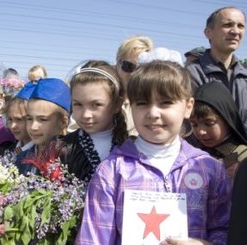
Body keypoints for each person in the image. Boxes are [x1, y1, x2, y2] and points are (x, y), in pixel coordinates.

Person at [76, 60, 231, 245]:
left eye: (165, 103)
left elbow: (225, 228)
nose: (153, 113)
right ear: (130, 106)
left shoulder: (209, 169)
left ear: (188, 107)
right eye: (142, 103)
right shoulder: (112, 171)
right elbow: (92, 239)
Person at [57, 60, 127, 182]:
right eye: (78, 104)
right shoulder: (61, 149)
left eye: (96, 105)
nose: (86, 115)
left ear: (117, 105)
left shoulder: (133, 148)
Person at [186, 7, 247, 130]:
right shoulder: (191, 74)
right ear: (208, 32)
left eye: (240, 26)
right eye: (227, 24)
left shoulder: (244, 75)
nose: (235, 31)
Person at [190, 82, 247, 184]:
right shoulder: (191, 156)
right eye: (194, 125)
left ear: (227, 120)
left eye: (209, 124)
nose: (201, 131)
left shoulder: (243, 159)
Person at [15, 78, 70, 175]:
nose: (33, 127)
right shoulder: (21, 158)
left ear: (63, 122)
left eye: (42, 119)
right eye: (29, 119)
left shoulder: (70, 160)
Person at [115, 35, 153, 136]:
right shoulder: (102, 96)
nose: (133, 74)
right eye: (128, 66)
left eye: (140, 68)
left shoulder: (153, 102)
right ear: (117, 63)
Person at [4, 83, 36, 154]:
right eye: (10, 119)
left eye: (19, 119)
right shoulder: (11, 150)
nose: (12, 126)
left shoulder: (39, 154)